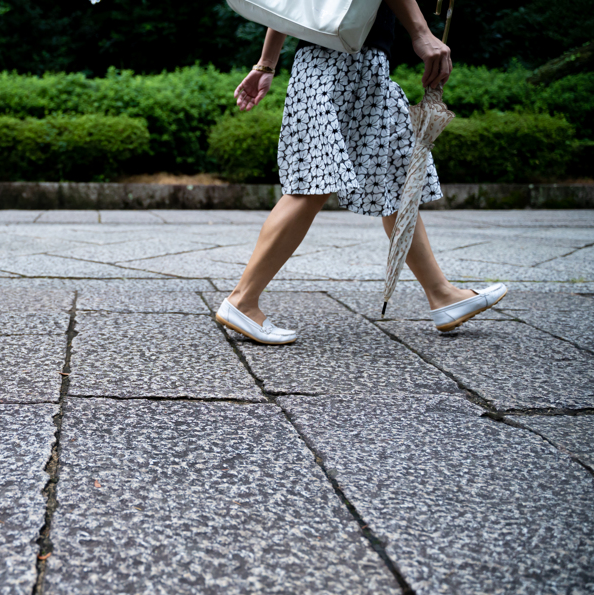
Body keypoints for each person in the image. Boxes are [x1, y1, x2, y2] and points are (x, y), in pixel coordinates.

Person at [216, 0, 507, 344]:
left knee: (397, 182)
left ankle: (442, 295)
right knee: (311, 186)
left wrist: (266, 64)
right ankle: (242, 300)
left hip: (358, 68)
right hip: (339, 66)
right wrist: (421, 33)